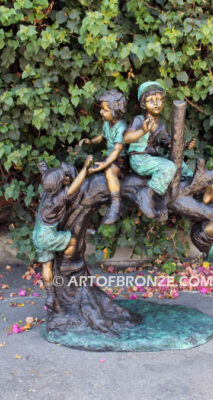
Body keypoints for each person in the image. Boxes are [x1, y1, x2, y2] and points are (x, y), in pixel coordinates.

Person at [123, 81, 194, 221]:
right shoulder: (139, 120)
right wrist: (142, 131)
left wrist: (185, 146)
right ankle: (147, 194)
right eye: (150, 100)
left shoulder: (161, 126)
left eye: (159, 100)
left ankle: (193, 184)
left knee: (180, 165)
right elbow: (126, 138)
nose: (156, 104)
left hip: (152, 160)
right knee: (169, 167)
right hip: (139, 159)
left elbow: (170, 145)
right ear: (143, 104)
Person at [32, 155, 93, 312]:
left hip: (38, 235)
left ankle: (51, 296)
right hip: (48, 236)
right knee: (72, 240)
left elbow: (47, 177)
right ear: (59, 185)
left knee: (47, 265)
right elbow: (76, 186)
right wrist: (85, 167)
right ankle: (67, 264)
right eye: (63, 178)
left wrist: (43, 167)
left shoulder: (47, 194)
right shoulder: (58, 198)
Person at [79, 89, 128, 224]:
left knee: (109, 171)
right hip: (108, 158)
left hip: (120, 160)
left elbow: (117, 151)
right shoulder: (107, 123)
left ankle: (116, 204)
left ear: (115, 111)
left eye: (105, 110)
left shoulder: (121, 126)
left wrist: (105, 165)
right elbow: (101, 137)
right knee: (91, 170)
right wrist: (91, 141)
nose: (101, 112)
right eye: (102, 109)